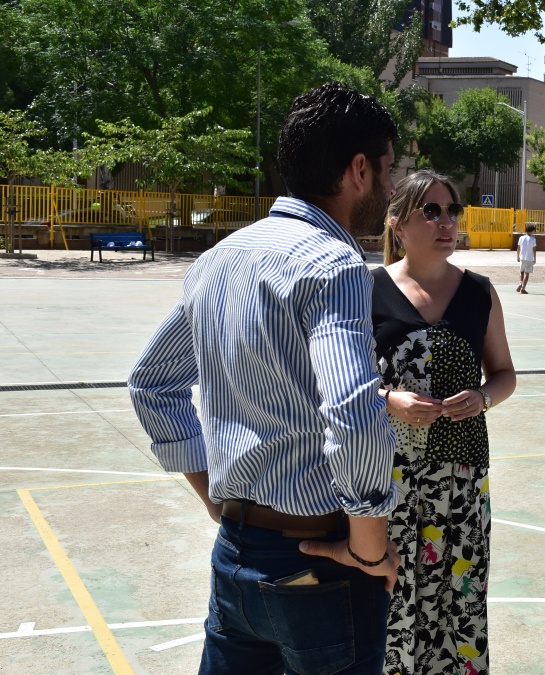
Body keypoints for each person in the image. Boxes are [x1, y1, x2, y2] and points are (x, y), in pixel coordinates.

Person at [128, 82, 404, 674]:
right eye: (387, 169)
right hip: (320, 562)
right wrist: (368, 547)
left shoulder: (221, 258)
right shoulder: (333, 263)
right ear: (359, 169)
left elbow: (151, 382)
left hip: (236, 555)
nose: (390, 184)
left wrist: (211, 496)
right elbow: (355, 415)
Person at [375, 170, 517, 675]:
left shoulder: (479, 294)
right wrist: (390, 399)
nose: (446, 222)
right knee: (393, 598)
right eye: (430, 211)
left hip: (460, 481)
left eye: (452, 211)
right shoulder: (368, 290)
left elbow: (504, 375)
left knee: (459, 600)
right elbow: (338, 383)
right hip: (390, 478)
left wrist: (481, 397)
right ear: (397, 223)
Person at [517, 223, 537, 294]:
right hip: (529, 258)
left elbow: (518, 248)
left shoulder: (521, 238)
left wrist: (518, 256)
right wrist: (535, 259)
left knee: (521, 272)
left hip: (522, 258)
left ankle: (520, 282)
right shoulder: (533, 239)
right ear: (531, 231)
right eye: (534, 231)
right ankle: (523, 288)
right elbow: (534, 250)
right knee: (527, 274)